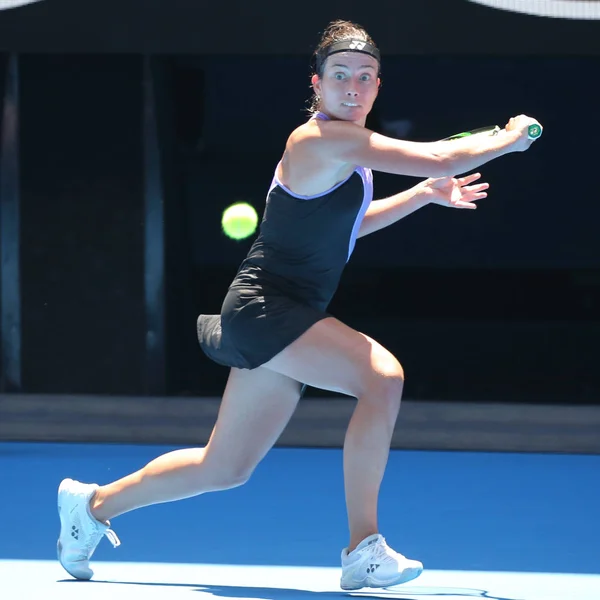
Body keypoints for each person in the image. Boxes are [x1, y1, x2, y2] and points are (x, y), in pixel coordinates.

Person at [57, 19, 542, 590]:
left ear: (378, 87)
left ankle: (89, 509)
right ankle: (364, 548)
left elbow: (348, 229)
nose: (353, 88)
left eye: (365, 78)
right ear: (317, 84)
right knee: (382, 378)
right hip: (269, 307)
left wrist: (421, 196)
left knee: (224, 467)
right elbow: (438, 156)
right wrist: (511, 137)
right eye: (340, 77)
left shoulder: (349, 157)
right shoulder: (317, 140)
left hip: (273, 313)